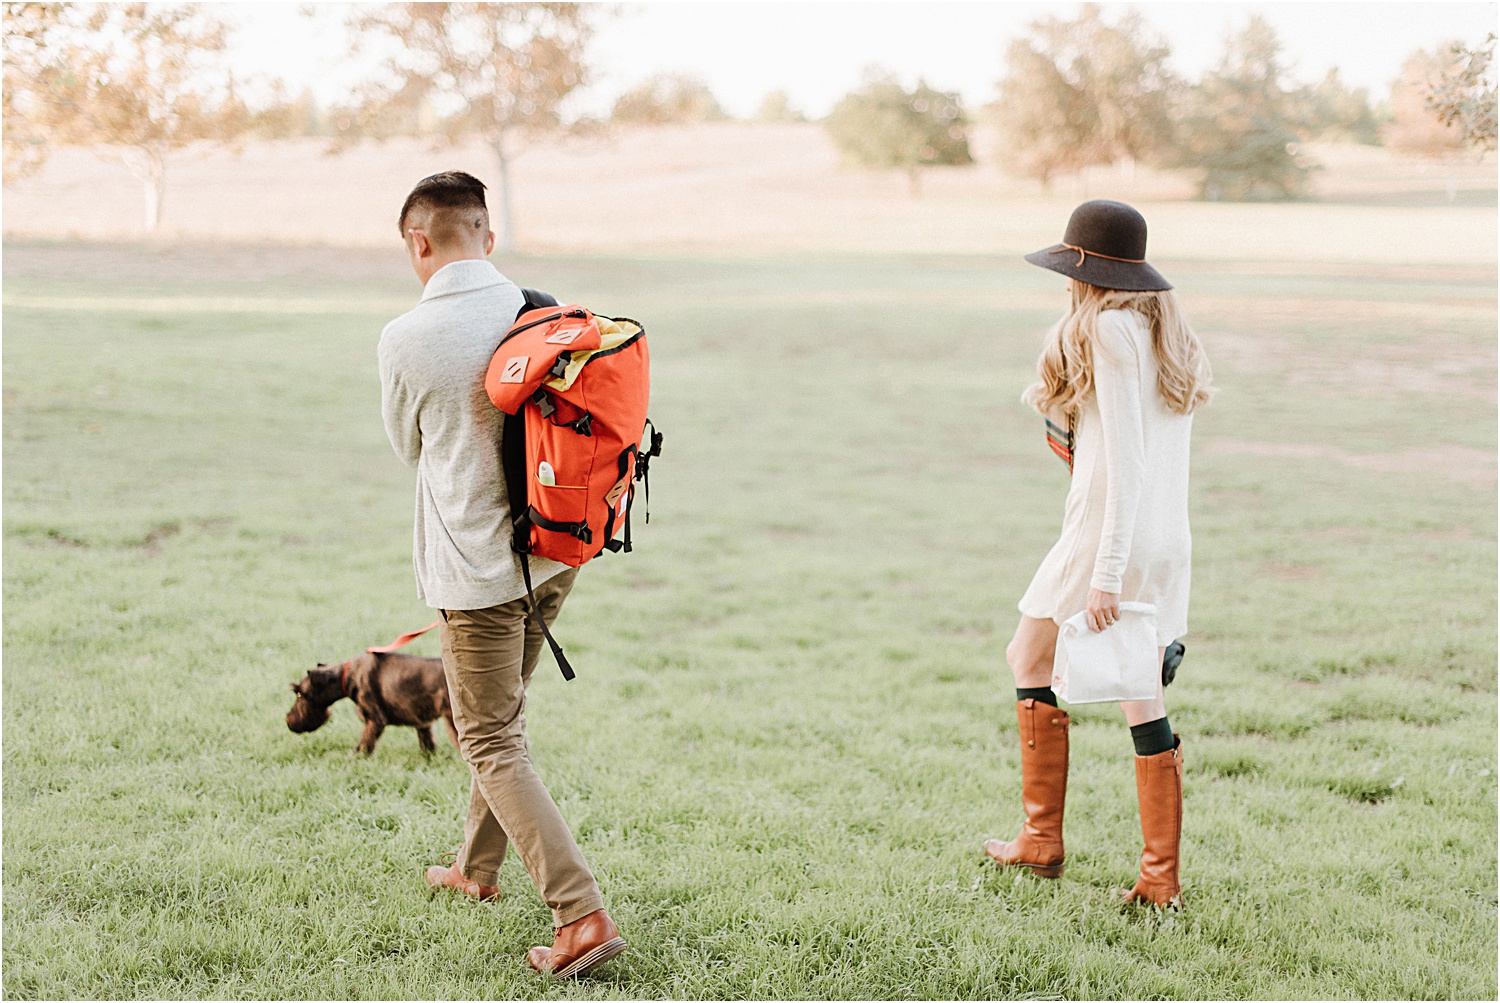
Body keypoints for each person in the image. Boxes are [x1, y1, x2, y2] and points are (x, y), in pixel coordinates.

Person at [378, 171, 626, 976]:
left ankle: (579, 914)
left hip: (478, 574)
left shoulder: (406, 338)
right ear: (486, 234)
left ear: (419, 243)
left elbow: (408, 447)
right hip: (556, 556)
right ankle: (475, 871)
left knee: (487, 736)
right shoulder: (543, 309)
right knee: (504, 726)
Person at [984, 200, 1212, 907]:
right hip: (1165, 537)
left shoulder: (1109, 329)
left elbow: (1128, 460)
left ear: (1086, 273)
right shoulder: (1163, 333)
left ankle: (1042, 839)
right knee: (1140, 693)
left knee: (1029, 657)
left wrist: (1105, 573)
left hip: (1107, 535)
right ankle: (1157, 879)